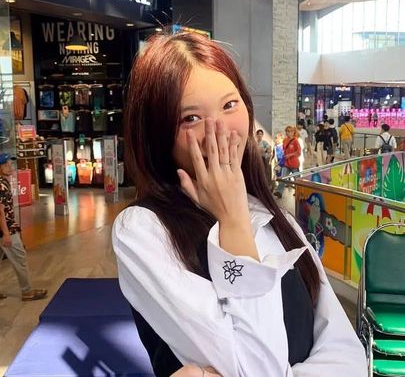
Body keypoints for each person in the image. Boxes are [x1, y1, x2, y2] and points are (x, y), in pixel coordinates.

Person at [112, 32, 367, 377]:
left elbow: (346, 352)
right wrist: (232, 222)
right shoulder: (143, 229)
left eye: (229, 105)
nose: (219, 130)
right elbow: (258, 369)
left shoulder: (274, 216)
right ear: (157, 135)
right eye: (190, 118)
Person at [0, 153, 47, 301]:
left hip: (5, 228)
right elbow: (0, 211)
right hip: (6, 229)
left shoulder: (4, 182)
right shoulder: (1, 185)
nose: (10, 167)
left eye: (10, 164)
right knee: (20, 258)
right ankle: (27, 292)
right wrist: (6, 233)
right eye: (6, 164)